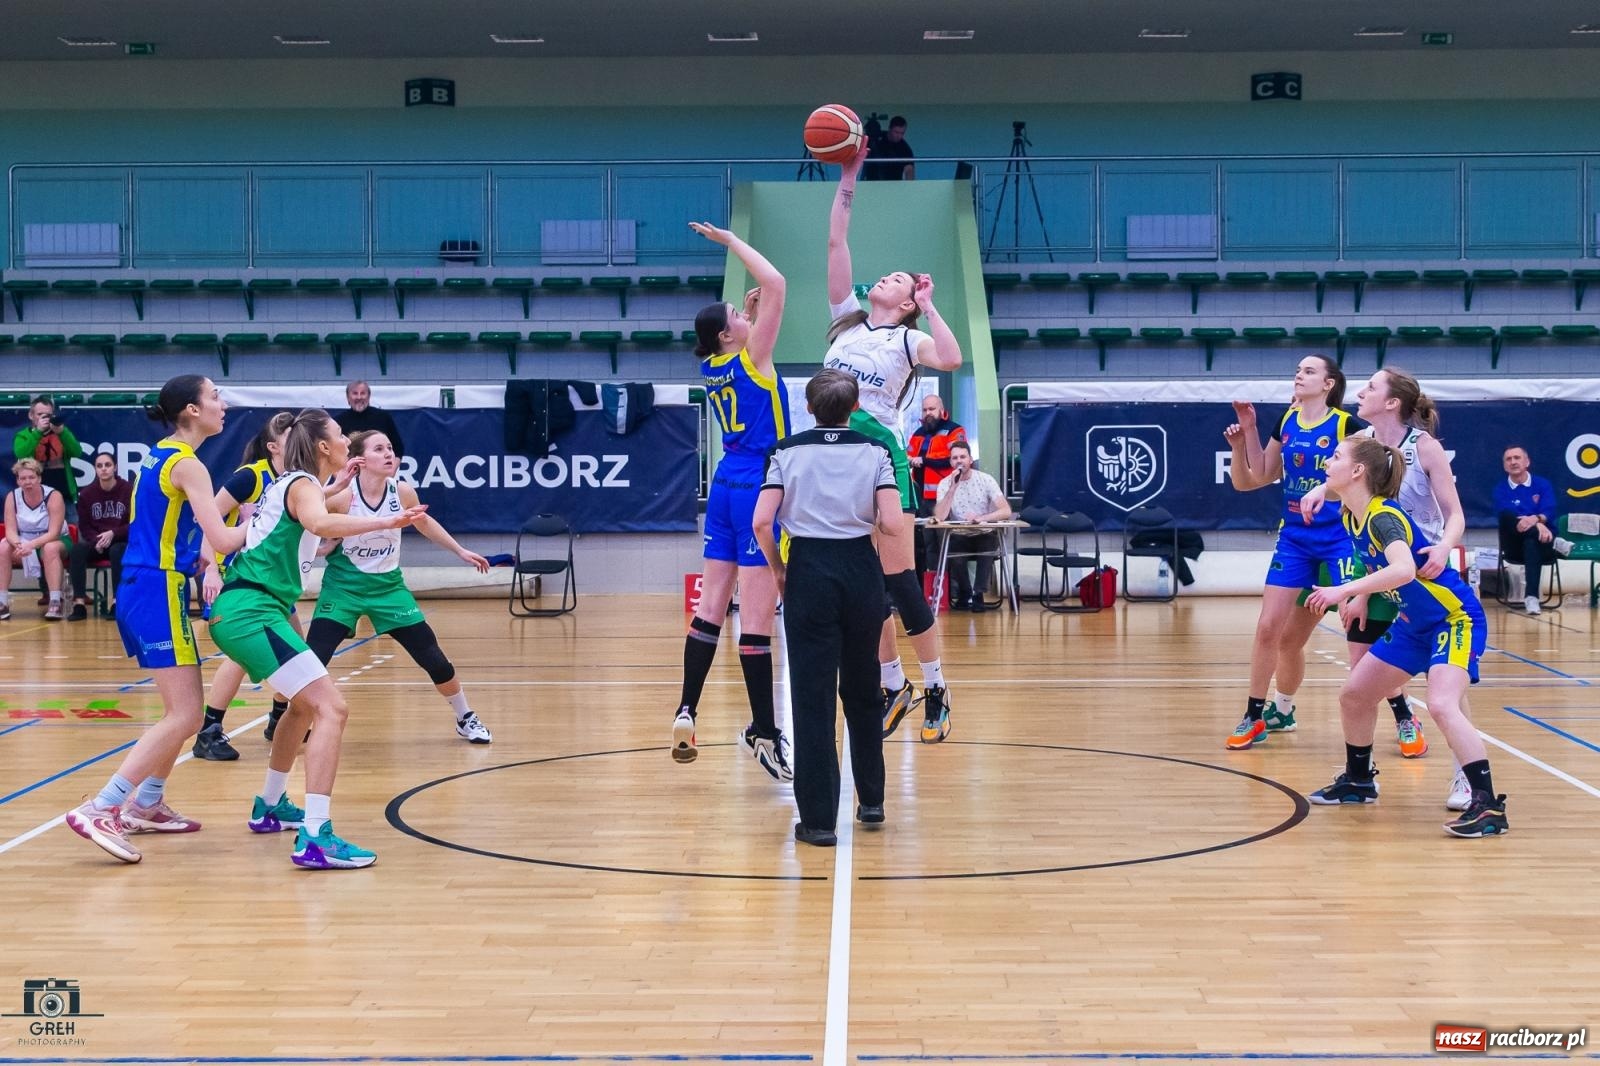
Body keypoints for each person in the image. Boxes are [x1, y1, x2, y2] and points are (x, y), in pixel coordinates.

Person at [208, 409, 426, 869]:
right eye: (341, 436)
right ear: (324, 447)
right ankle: (315, 836)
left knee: (303, 705)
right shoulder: (303, 485)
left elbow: (308, 508)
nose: (349, 440)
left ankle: (270, 806)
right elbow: (320, 524)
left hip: (254, 607)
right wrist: (385, 522)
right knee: (332, 708)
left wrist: (335, 486)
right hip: (252, 610)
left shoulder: (296, 484)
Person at [63, 376, 249, 863]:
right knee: (186, 714)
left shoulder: (161, 453)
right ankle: (103, 807)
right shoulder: (189, 465)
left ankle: (146, 803)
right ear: (191, 409)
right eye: (214, 396)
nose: (222, 404)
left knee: (185, 709)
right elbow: (225, 542)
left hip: (146, 585)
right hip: (155, 588)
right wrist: (274, 516)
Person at [826, 141, 964, 744]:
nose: (884, 278)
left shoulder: (906, 342)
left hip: (879, 459)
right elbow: (836, 244)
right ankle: (893, 683)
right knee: (866, 592)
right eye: (885, 276)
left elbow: (954, 359)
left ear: (907, 302)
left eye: (899, 280)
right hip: (829, 459)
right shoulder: (846, 321)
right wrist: (849, 177)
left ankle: (935, 684)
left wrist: (930, 307)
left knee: (899, 582)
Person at [1304, 436, 1507, 837]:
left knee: (1443, 704)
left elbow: (1403, 570)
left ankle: (1488, 807)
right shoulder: (1351, 513)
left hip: (1453, 618)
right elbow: (1376, 562)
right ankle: (1359, 781)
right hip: (1414, 624)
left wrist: (1344, 589)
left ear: (1358, 471)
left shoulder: (1383, 516)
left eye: (1336, 456)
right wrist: (1362, 594)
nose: (1328, 461)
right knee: (1355, 696)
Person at [1299, 368, 1476, 807]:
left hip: (1427, 571)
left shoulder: (1424, 447)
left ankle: (1465, 776)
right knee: (1359, 675)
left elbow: (1454, 514)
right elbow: (1363, 522)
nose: (1360, 392)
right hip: (1384, 573)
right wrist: (1358, 591)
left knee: (1448, 689)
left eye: (1371, 387)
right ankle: (1361, 774)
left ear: (1392, 402)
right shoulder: (1363, 449)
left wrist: (1444, 548)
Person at [752, 369, 900, 847]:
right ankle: (872, 800)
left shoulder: (785, 451)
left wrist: (778, 569)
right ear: (854, 407)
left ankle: (817, 822)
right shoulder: (876, 452)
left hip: (809, 568)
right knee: (862, 689)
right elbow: (893, 524)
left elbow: (760, 522)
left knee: (812, 699)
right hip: (860, 567)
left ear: (810, 408)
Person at [670, 221, 794, 780]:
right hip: (761, 483)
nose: (747, 317)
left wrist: (747, 314)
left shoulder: (712, 365)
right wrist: (730, 243)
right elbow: (778, 281)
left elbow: (750, 313)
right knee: (758, 621)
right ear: (728, 335)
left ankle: (686, 708)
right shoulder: (750, 359)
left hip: (723, 482)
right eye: (738, 317)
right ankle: (764, 732)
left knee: (710, 608)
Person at [309, 429, 493, 744]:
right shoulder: (342, 495)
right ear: (361, 460)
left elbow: (422, 522)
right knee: (313, 657)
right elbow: (308, 518)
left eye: (390, 448)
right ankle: (280, 714)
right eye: (379, 449)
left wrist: (460, 551)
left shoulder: (402, 491)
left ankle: (465, 716)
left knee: (432, 656)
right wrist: (321, 545)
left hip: (389, 589)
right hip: (343, 588)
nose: (388, 454)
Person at [192, 412, 349, 761]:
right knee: (243, 656)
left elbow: (308, 519)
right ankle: (210, 727)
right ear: (275, 445)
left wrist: (333, 491)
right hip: (244, 576)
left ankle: (282, 716)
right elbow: (210, 521)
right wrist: (212, 572)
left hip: (275, 583)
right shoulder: (252, 476)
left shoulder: (297, 482)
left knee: (294, 650)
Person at [1221, 355, 1358, 750]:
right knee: (1269, 628)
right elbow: (1260, 474)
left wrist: (1329, 492)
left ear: (1329, 384)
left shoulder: (1348, 426)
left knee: (1359, 629)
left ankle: (1404, 714)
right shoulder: (1287, 420)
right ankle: (1254, 714)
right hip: (1295, 538)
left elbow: (1372, 473)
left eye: (1310, 370)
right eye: (1297, 369)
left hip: (1340, 538)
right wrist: (1248, 430)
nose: (1299, 374)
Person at [931, 441, 1012, 611]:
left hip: (984, 531)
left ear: (970, 460)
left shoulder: (985, 479)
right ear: (950, 462)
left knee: (987, 547)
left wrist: (983, 518)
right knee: (955, 552)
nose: (959, 461)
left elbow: (1006, 511)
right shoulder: (945, 484)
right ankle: (965, 591)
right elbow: (939, 516)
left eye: (963, 457)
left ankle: (978, 594)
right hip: (959, 533)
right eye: (955, 458)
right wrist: (953, 488)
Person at [0, 458, 69, 620]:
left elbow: (54, 532)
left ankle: (55, 601)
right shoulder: (12, 497)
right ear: (17, 480)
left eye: (31, 477)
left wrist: (30, 545)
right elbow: (10, 530)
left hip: (54, 540)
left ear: (39, 478)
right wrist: (18, 544)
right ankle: (2, 602)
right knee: (3, 546)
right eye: (22, 478)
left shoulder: (53, 495)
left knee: (50, 548)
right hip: (24, 541)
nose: (27, 482)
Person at [67, 452, 132, 621]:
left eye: (108, 465)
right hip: (98, 542)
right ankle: (79, 603)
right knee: (77, 550)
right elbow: (85, 526)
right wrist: (95, 540)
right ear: (95, 469)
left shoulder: (128, 490)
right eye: (99, 466)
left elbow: (135, 524)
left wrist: (113, 533)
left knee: (118, 551)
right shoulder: (87, 494)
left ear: (115, 467)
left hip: (120, 540)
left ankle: (117, 602)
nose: (104, 469)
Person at [1493, 445, 1558, 616]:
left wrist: (1536, 520)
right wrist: (1537, 523)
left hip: (1542, 543)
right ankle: (1559, 544)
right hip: (1513, 546)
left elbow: (1549, 509)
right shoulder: (1501, 490)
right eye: (1509, 459)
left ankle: (1531, 598)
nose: (1513, 462)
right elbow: (1511, 517)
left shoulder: (1543, 485)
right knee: (1507, 516)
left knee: (1531, 543)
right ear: (1504, 465)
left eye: (1517, 458)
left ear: (1527, 462)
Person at [907, 393, 966, 575]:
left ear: (941, 410)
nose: (927, 413)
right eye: (924, 410)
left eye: (931, 409)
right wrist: (910, 459)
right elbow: (908, 456)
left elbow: (954, 461)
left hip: (944, 499)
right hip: (922, 500)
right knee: (928, 545)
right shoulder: (917, 433)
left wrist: (923, 460)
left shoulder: (955, 431)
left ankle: (955, 591)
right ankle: (934, 589)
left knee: (948, 545)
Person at [12, 395, 83, 516]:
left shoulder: (61, 432)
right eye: (40, 414)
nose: (44, 417)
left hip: (63, 492)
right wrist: (38, 432)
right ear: (31, 415)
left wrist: (62, 432)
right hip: (35, 493)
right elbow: (21, 454)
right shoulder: (23, 435)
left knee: (71, 530)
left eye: (48, 415)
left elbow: (77, 452)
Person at [337, 380, 404, 459]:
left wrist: (392, 470)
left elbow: (398, 449)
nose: (359, 397)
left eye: (363, 393)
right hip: (350, 469)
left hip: (379, 470)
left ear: (369, 396)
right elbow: (334, 452)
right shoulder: (338, 421)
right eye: (355, 393)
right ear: (348, 397)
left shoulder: (383, 417)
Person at [863, 115, 915, 181]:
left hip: (894, 185)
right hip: (871, 182)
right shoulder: (876, 138)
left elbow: (909, 169)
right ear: (890, 129)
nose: (899, 136)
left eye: (902, 133)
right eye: (896, 132)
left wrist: (909, 188)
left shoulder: (904, 148)